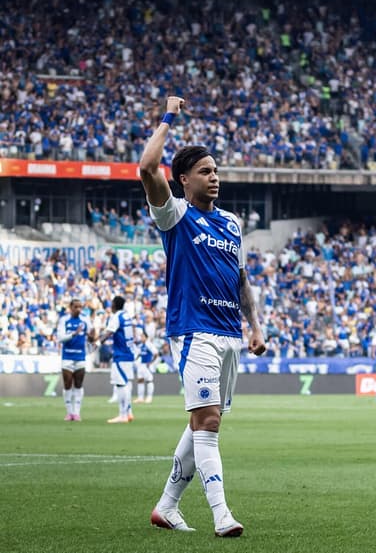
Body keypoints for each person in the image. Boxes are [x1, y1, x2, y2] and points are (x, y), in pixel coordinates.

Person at [140, 96, 266, 537]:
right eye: (206, 172)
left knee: (201, 422)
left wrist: (256, 325)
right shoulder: (176, 214)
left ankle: (166, 507)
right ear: (184, 179)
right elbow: (146, 167)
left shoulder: (232, 223)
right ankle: (221, 515)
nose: (215, 178)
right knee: (208, 423)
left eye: (216, 171)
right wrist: (169, 116)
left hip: (231, 333)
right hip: (194, 331)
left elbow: (241, 279)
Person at [55, 298, 96, 421]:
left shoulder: (85, 320)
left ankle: (76, 413)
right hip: (67, 356)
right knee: (67, 384)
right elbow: (60, 338)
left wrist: (91, 337)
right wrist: (73, 334)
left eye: (80, 307)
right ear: (70, 308)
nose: (78, 309)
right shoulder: (64, 320)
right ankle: (69, 412)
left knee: (78, 384)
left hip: (80, 356)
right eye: (76, 307)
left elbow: (91, 337)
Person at [97, 296, 136, 424]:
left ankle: (123, 415)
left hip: (121, 355)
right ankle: (129, 413)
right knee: (126, 383)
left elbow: (109, 332)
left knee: (121, 384)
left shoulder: (117, 316)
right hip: (129, 353)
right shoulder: (127, 316)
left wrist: (98, 343)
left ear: (114, 305)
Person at [133, 320, 156, 404]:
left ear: (146, 337)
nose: (141, 338)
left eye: (142, 336)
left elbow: (156, 353)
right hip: (141, 364)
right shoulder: (142, 345)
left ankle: (149, 397)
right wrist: (136, 358)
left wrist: (151, 362)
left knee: (149, 380)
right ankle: (140, 398)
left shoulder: (148, 344)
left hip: (147, 364)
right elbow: (140, 353)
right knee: (140, 380)